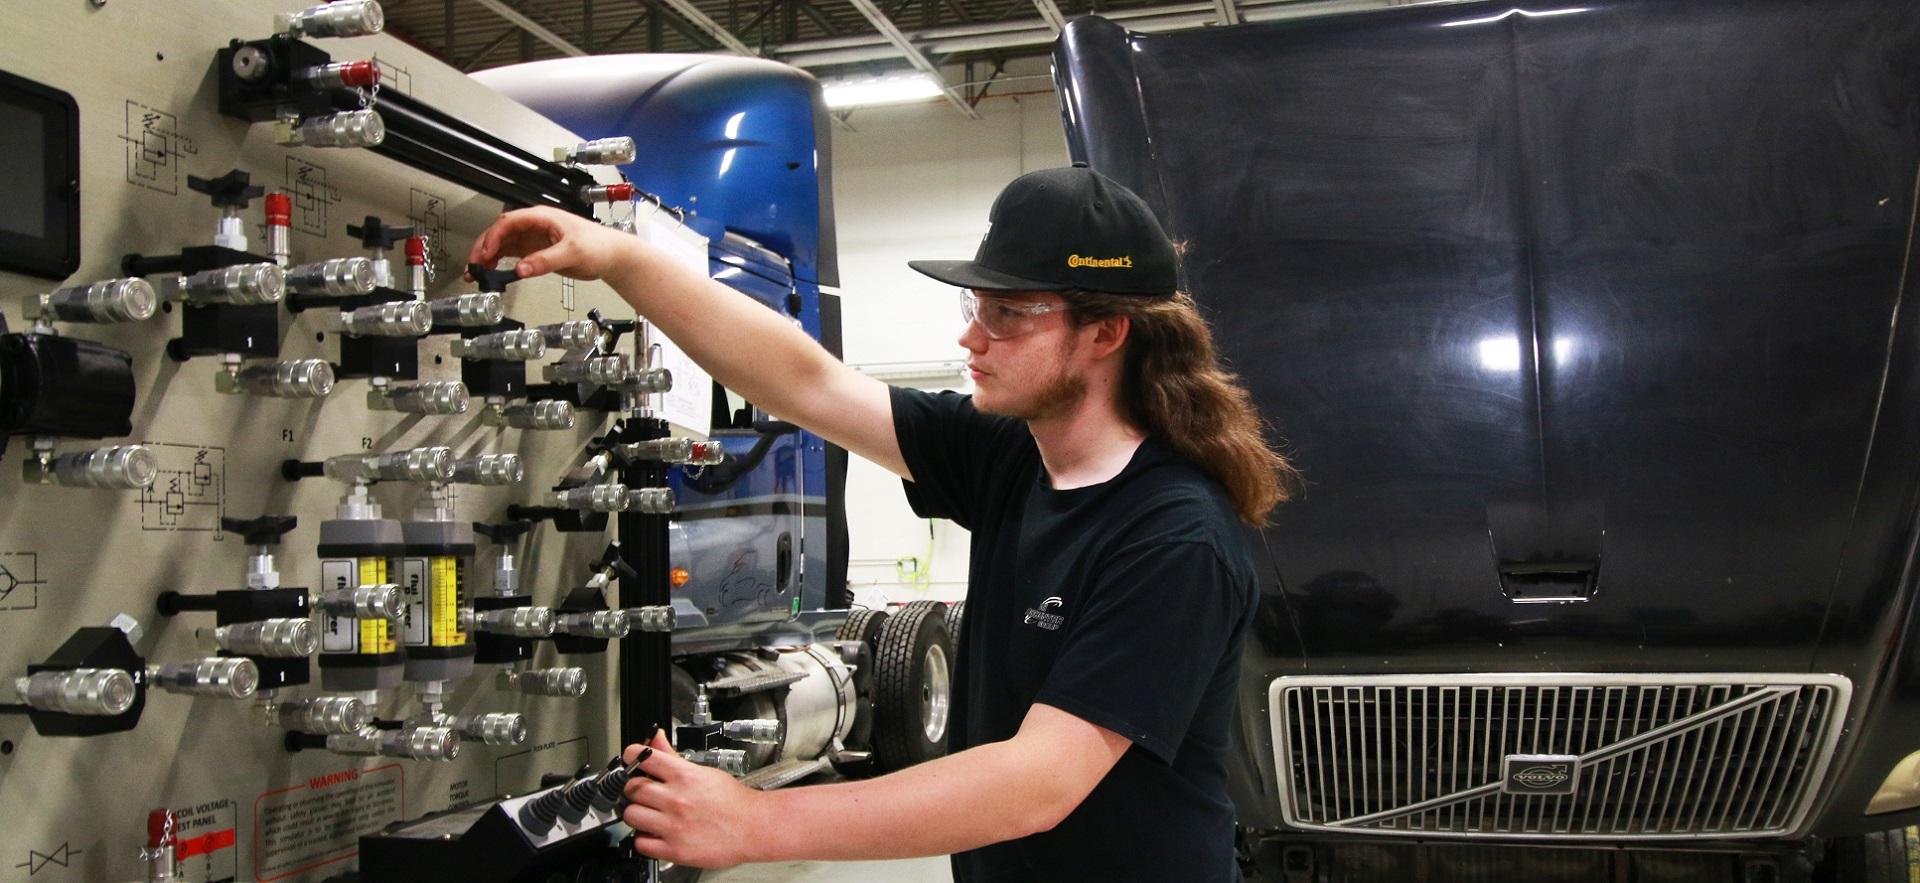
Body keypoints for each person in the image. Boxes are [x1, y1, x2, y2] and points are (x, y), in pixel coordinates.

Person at [466, 163, 1295, 881]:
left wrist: (755, 822)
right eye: (976, 305)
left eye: (1008, 314)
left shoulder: (1173, 537)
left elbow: (1039, 780)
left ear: (1106, 331)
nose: (972, 336)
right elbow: (809, 383)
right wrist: (617, 255)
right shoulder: (1012, 452)